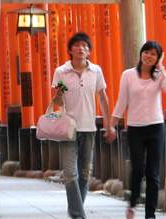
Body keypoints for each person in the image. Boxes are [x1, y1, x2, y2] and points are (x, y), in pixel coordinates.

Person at [51, 32, 116, 219]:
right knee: (70, 173)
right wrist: (58, 95)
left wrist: (108, 123)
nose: (82, 49)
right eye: (77, 45)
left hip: (89, 128)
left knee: (85, 174)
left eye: (85, 46)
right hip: (68, 128)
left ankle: (74, 212)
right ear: (70, 50)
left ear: (89, 51)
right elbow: (57, 100)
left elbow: (103, 98)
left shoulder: (96, 71)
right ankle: (79, 215)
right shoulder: (61, 72)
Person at [109, 41, 166, 219]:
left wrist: (161, 67)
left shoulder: (159, 76)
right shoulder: (128, 75)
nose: (149, 56)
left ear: (157, 58)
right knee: (138, 168)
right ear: (141, 54)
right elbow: (121, 101)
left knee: (153, 173)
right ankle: (132, 205)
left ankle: (150, 214)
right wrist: (111, 124)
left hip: (156, 127)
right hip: (136, 129)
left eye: (154, 54)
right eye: (146, 52)